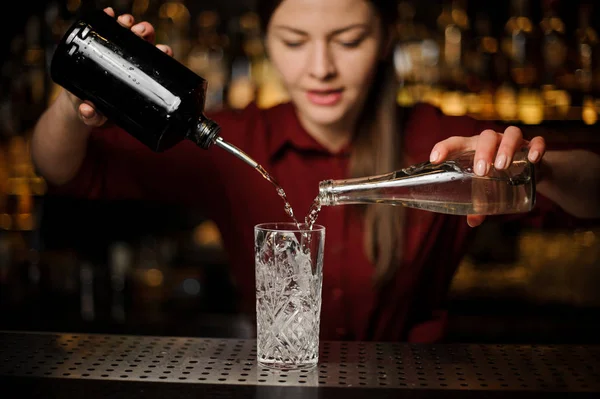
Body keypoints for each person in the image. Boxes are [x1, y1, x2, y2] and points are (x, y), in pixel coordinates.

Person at [31, 0, 600, 342]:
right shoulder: (232, 141)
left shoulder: (438, 141)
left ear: (384, 42)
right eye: (295, 41)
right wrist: (77, 100)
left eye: (348, 40)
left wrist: (530, 167)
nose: (321, 68)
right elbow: (66, 172)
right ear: (268, 44)